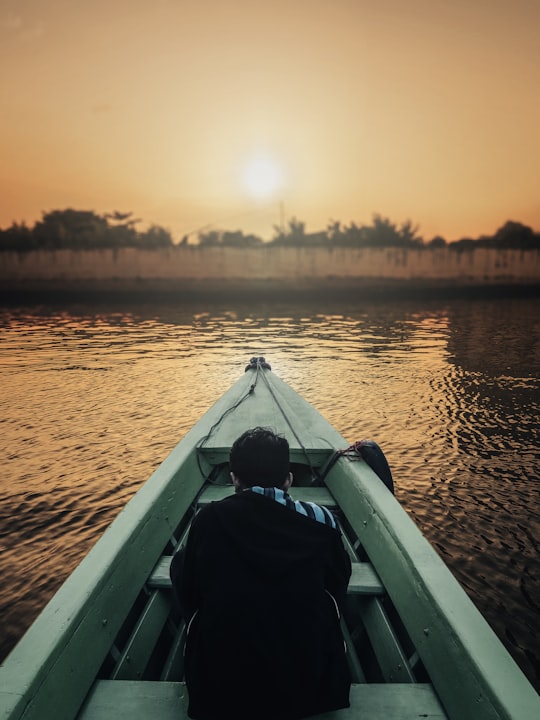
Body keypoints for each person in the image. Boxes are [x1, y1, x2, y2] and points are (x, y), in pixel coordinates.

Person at [170, 427, 352, 720]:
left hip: (220, 693)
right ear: (289, 480)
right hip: (314, 691)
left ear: (234, 479)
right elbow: (339, 583)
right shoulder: (322, 520)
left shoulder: (208, 521)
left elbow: (191, 590)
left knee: (181, 565)